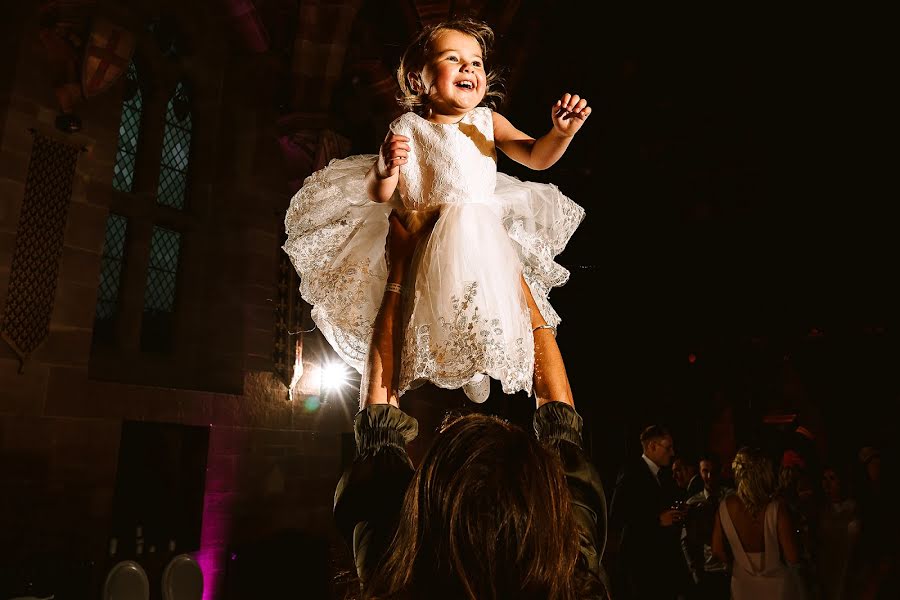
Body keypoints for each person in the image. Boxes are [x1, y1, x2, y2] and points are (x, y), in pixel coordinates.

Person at [282, 16, 590, 404]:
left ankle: (479, 365)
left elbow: (536, 156)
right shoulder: (407, 126)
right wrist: (384, 167)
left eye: (476, 62)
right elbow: (379, 194)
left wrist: (561, 134)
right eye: (453, 59)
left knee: (494, 308)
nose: (469, 68)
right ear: (417, 81)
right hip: (425, 234)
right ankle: (438, 367)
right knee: (424, 314)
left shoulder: (487, 121)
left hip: (480, 237)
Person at [333, 212, 608, 599]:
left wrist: (399, 269)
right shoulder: (568, 572)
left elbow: (378, 421)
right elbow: (559, 414)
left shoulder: (397, 566)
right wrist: (511, 278)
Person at [711, 447, 806, 599]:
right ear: (765, 473)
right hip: (777, 588)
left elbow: (717, 551)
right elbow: (792, 556)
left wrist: (737, 564)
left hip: (742, 587)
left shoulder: (724, 507)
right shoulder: (776, 508)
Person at [609, 425, 691, 599]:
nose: (672, 453)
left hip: (659, 564)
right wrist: (657, 520)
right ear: (652, 447)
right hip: (641, 564)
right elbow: (617, 513)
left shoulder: (663, 476)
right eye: (668, 448)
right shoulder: (632, 472)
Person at [681, 454, 733, 599]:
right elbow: (685, 542)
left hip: (734, 569)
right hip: (708, 571)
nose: (709, 476)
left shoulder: (731, 498)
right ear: (699, 472)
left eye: (713, 471)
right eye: (705, 471)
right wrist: (696, 574)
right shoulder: (692, 503)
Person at [815, 464, 861, 600]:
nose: (827, 484)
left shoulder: (854, 508)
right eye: (824, 478)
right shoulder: (821, 510)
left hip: (847, 571)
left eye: (832, 478)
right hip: (826, 572)